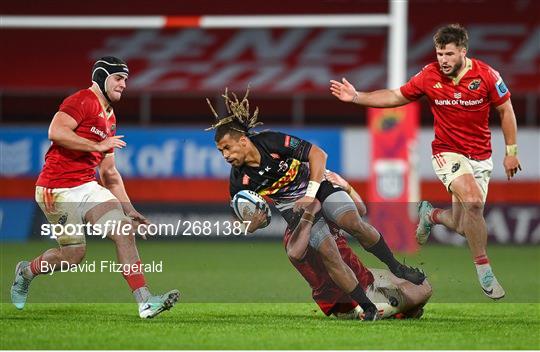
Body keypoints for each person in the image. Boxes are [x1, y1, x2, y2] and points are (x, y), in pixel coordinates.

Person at [330, 24, 520, 300]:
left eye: (449, 54)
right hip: (446, 152)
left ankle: (430, 215)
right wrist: (358, 97)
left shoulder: (487, 75)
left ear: (463, 52)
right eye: (439, 53)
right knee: (474, 202)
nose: (443, 59)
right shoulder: (429, 76)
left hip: (480, 156)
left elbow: (506, 109)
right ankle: (484, 269)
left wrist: (511, 150)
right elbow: (396, 95)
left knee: (461, 222)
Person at [207, 88, 425, 320]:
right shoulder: (238, 179)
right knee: (330, 253)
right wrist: (251, 226)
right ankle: (368, 307)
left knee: (352, 222)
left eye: (227, 148)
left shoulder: (269, 142)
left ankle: (396, 267)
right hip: (294, 208)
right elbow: (238, 221)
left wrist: (311, 193)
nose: (225, 155)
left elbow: (318, 154)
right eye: (221, 151)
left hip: (316, 186)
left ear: (243, 141)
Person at [10, 57, 179, 318]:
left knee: (124, 230)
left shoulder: (110, 117)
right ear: (101, 77)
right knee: (73, 255)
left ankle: (145, 302)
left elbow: (109, 172)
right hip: (56, 188)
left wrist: (128, 208)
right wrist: (96, 145)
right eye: (118, 78)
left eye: (125, 80)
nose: (124, 84)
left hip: (87, 185)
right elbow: (55, 131)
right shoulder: (82, 100)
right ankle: (26, 271)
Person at [285, 171, 432, 320]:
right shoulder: (298, 230)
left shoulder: (329, 212)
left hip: (364, 276)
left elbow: (360, 212)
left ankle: (400, 309)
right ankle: (394, 311)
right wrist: (309, 213)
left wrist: (347, 187)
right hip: (345, 299)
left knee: (423, 284)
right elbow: (295, 254)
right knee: (421, 292)